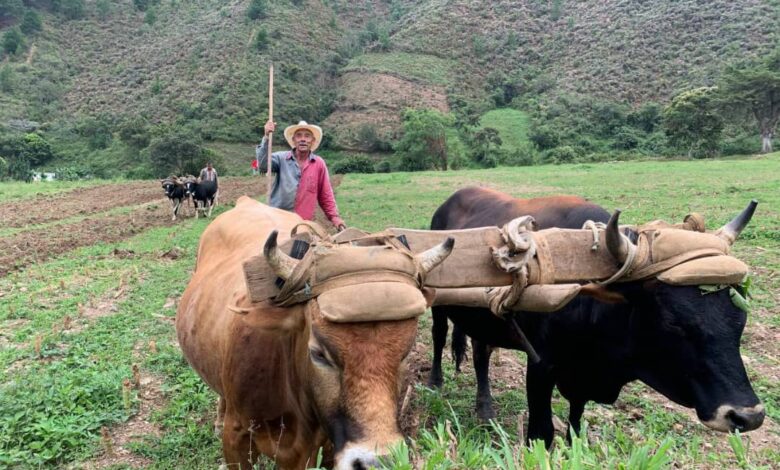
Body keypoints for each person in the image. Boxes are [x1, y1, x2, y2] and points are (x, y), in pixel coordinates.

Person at [257, 120, 346, 231]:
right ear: (293, 140)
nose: (303, 139)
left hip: (301, 224)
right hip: (277, 219)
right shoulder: (281, 158)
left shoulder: (319, 164)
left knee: (301, 247)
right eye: (298, 136)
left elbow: (325, 194)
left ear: (313, 141)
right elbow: (263, 165)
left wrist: (335, 218)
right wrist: (266, 137)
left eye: (307, 136)